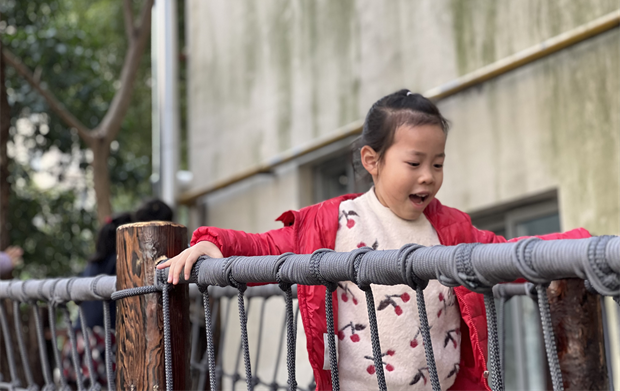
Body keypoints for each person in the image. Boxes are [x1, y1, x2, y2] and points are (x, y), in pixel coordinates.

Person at [158, 89, 590, 391]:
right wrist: (213, 244)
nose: (428, 176)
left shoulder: (452, 229)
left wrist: (577, 246)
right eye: (414, 163)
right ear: (372, 160)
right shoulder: (335, 223)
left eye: (438, 164)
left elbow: (507, 255)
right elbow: (269, 248)